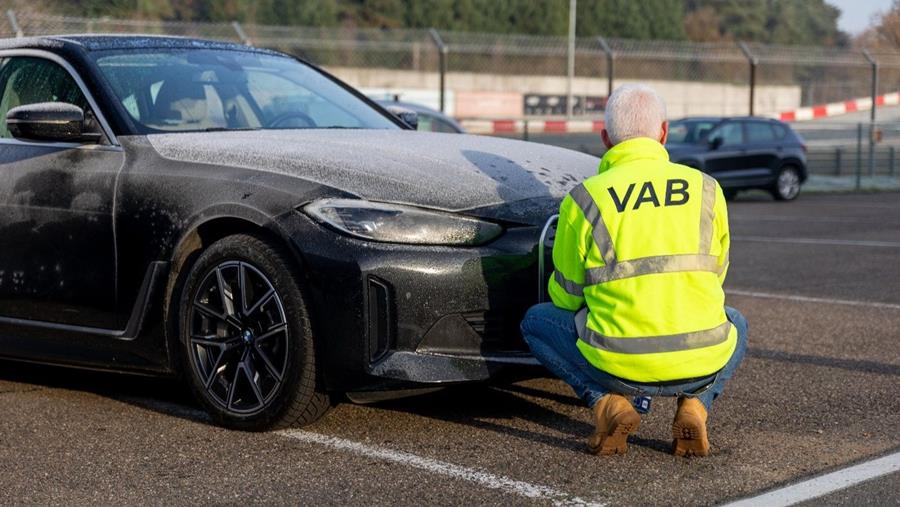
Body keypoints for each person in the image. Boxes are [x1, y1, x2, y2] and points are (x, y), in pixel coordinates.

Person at [520, 84, 747, 457]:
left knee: (535, 322)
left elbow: (566, 293)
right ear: (663, 133)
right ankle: (695, 405)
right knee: (737, 322)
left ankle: (607, 403)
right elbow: (716, 275)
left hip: (617, 364)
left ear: (606, 138)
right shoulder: (707, 189)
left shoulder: (585, 197)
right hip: (700, 362)